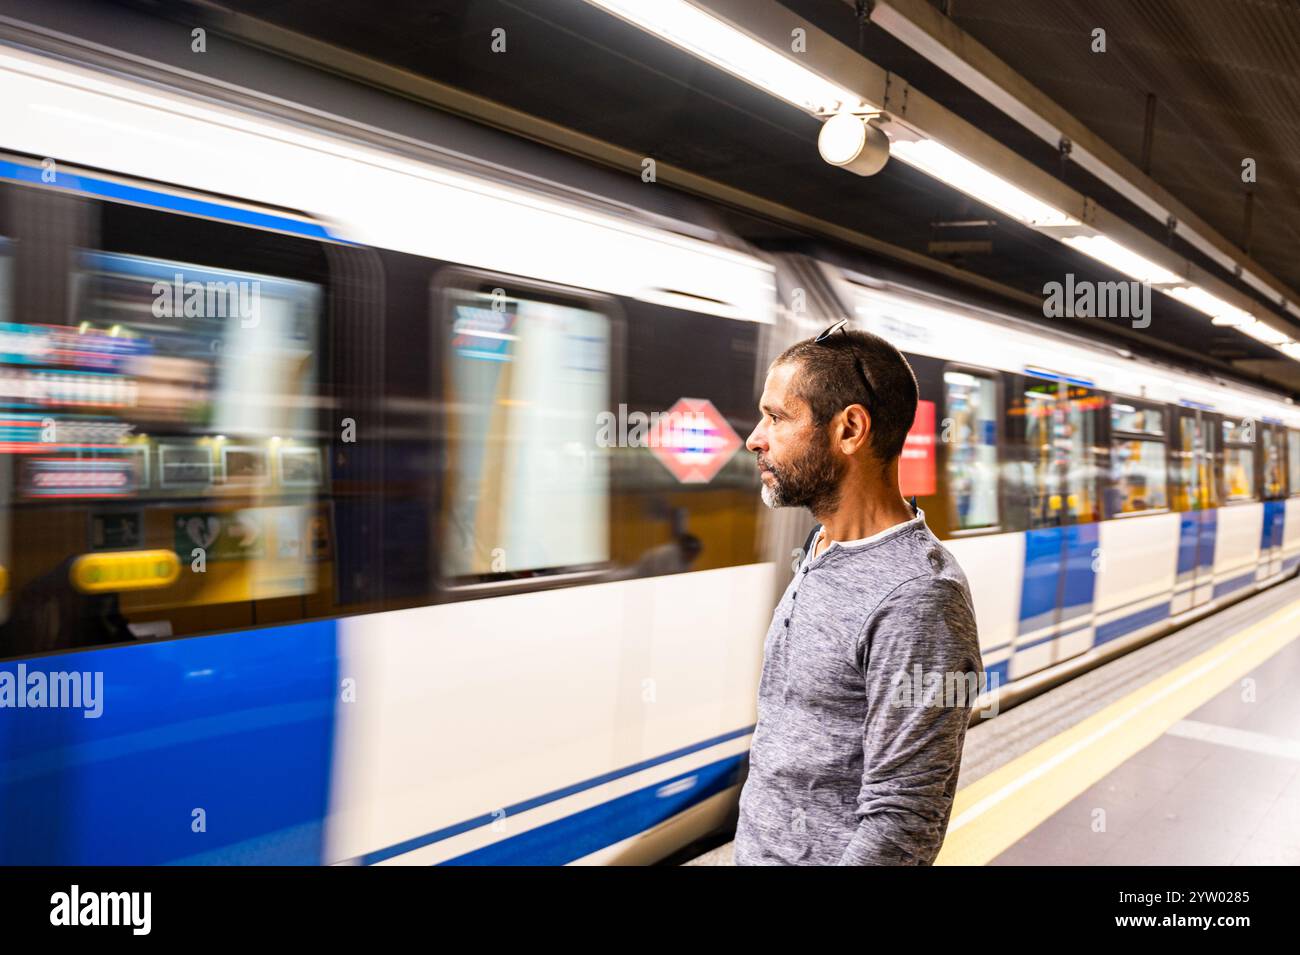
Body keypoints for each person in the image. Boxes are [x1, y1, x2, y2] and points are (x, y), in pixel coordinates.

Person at [734, 320, 983, 865]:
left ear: (849, 429)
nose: (754, 437)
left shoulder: (920, 598)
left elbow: (903, 823)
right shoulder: (824, 545)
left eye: (776, 417)